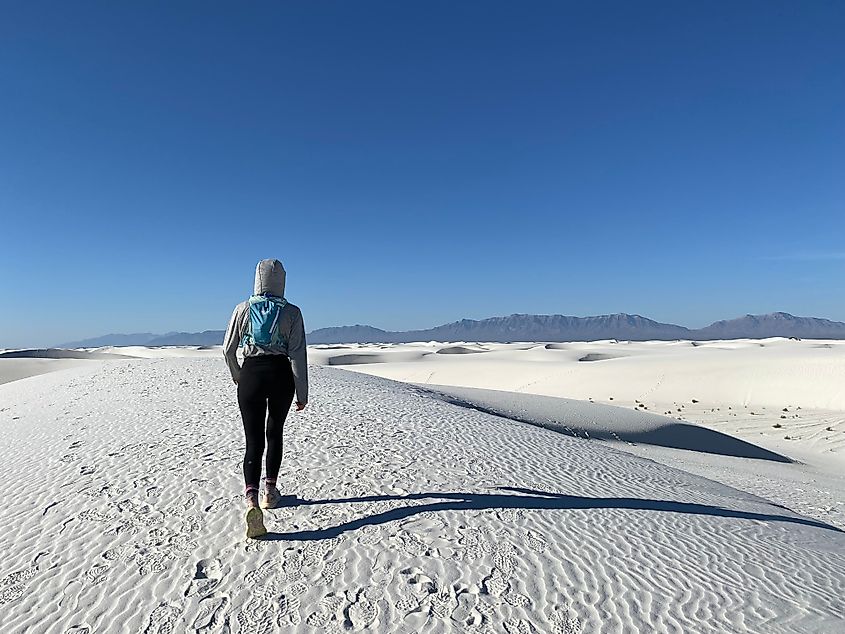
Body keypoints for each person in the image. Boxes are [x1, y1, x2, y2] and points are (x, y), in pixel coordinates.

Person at [223, 258, 308, 538]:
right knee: (275, 433)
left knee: (253, 440)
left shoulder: (242, 308)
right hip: (281, 375)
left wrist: (239, 376)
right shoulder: (293, 312)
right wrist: (302, 392)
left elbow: (227, 349)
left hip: (251, 376)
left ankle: (250, 499)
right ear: (282, 281)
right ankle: (270, 492)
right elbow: (297, 355)